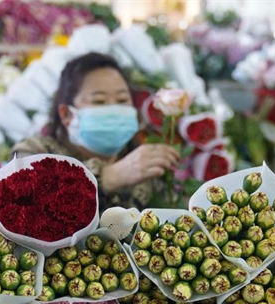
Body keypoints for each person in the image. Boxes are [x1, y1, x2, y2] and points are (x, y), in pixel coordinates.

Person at [12, 52, 179, 210]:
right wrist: (108, 177)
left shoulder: (145, 165)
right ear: (67, 114)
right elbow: (25, 202)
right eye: (99, 101)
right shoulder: (35, 152)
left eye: (122, 100)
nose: (114, 110)